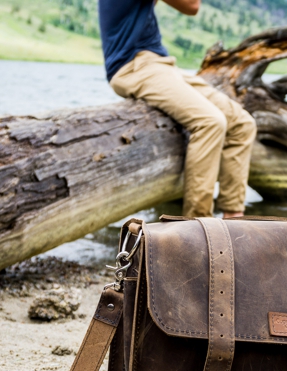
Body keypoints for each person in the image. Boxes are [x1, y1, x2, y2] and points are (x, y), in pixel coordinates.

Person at [98, 0, 257, 218]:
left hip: (161, 64)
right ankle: (198, 228)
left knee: (242, 123)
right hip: (134, 66)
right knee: (210, 122)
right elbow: (191, 6)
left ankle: (234, 220)